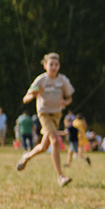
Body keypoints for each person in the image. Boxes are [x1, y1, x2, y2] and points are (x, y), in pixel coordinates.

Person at [16, 53, 73, 186]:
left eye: (56, 65)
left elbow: (69, 98)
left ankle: (26, 157)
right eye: (51, 64)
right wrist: (33, 94)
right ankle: (60, 176)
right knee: (55, 140)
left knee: (43, 146)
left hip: (56, 115)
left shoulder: (63, 80)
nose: (53, 67)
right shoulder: (40, 80)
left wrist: (65, 102)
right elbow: (25, 98)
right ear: (45, 65)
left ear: (59, 66)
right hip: (44, 114)